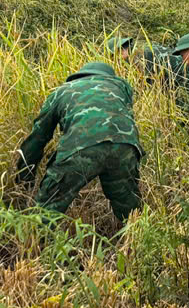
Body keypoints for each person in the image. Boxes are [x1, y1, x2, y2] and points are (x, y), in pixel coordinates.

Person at [15, 62, 144, 223]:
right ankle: (137, 240)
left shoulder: (61, 91)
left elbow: (38, 138)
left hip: (79, 149)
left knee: (47, 210)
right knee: (129, 207)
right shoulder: (121, 87)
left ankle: (38, 243)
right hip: (125, 147)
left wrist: (24, 177)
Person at [108, 33, 186, 87]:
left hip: (185, 73)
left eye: (116, 55)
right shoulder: (136, 56)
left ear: (122, 50)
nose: (117, 60)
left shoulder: (142, 57)